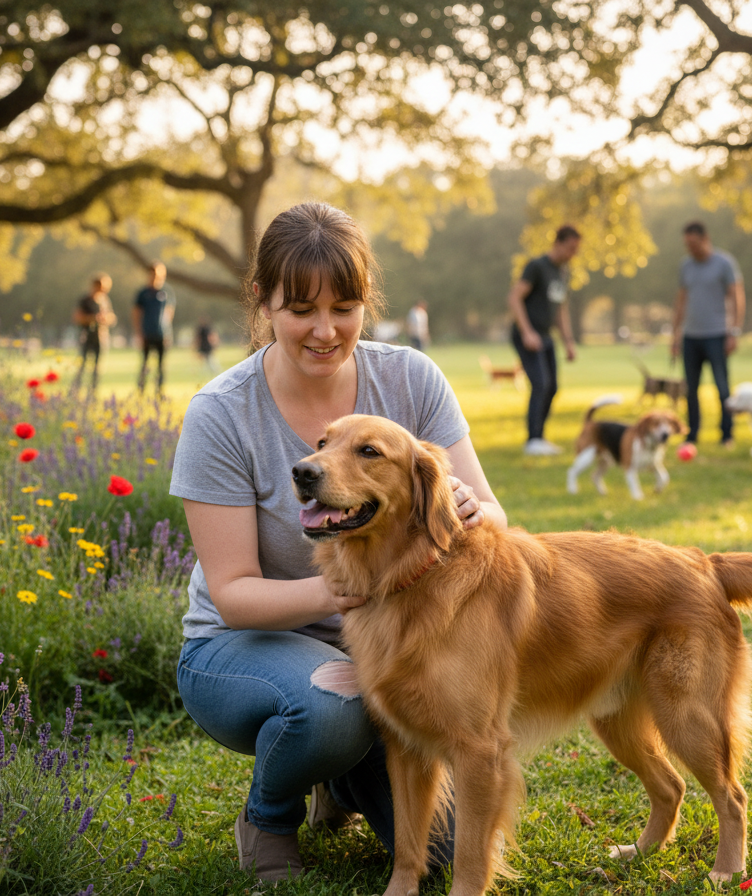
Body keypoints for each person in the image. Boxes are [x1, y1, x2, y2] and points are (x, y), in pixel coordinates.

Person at [169, 202, 506, 883]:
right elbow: (233, 595)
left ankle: (344, 780)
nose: (325, 331)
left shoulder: (411, 379)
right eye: (300, 309)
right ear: (263, 303)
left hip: (390, 642)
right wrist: (349, 588)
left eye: (344, 307)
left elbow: (495, 520)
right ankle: (270, 814)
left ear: (365, 304)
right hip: (243, 646)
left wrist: (469, 509)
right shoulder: (221, 414)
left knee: (441, 854)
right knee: (331, 705)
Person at [669, 221, 745, 447]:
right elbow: (681, 300)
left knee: (722, 387)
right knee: (690, 389)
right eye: (687, 244)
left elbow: (736, 297)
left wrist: (734, 331)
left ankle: (726, 434)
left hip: (717, 334)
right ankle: (691, 435)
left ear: (705, 239)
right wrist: (675, 334)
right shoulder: (686, 266)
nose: (690, 248)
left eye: (693, 243)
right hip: (691, 336)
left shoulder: (724, 263)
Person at [506, 225, 580, 456]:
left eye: (576, 250)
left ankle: (540, 437)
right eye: (570, 248)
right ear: (557, 243)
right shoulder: (537, 266)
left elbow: (560, 310)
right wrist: (527, 331)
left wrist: (568, 341)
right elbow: (514, 297)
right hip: (527, 335)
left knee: (553, 387)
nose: (573, 254)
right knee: (540, 384)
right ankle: (533, 440)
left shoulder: (563, 272)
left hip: (546, 337)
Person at [133, 261, 176, 395]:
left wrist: (168, 332)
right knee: (145, 365)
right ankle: (141, 390)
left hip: (161, 334)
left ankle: (159, 391)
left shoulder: (166, 292)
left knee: (161, 366)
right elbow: (136, 314)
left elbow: (169, 313)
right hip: (147, 333)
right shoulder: (142, 293)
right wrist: (139, 333)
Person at [72, 273, 116, 391]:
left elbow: (111, 317)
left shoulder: (105, 300)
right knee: (82, 365)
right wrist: (94, 318)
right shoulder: (85, 300)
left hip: (101, 338)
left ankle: (93, 391)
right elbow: (77, 317)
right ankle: (75, 390)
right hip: (86, 337)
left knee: (98, 368)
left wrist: (106, 319)